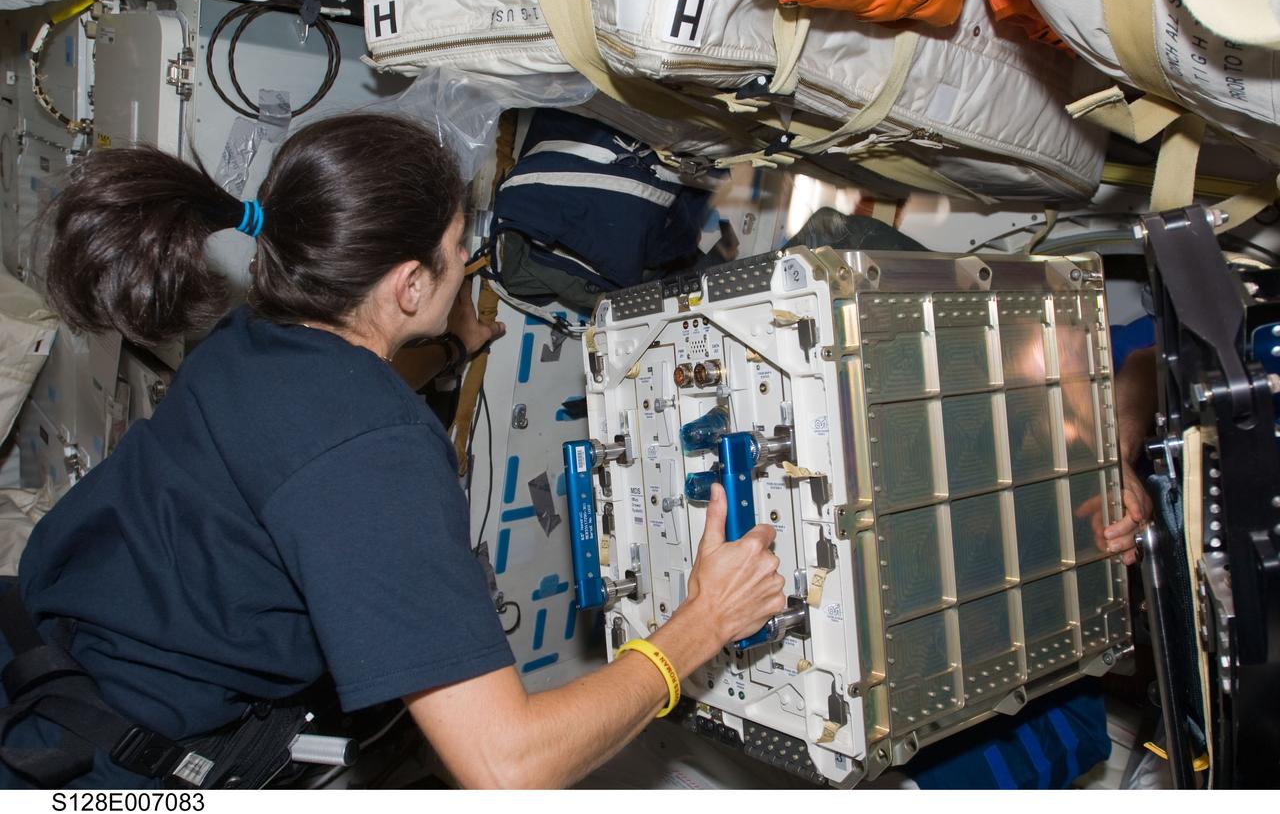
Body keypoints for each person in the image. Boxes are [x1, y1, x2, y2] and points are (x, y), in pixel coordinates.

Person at [0, 113, 787, 789]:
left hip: (52, 673)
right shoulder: (376, 454)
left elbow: (323, 411)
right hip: (107, 772)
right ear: (411, 284)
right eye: (458, 243)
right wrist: (704, 623)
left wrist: (446, 345)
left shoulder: (250, 334)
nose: (469, 257)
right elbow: (506, 768)